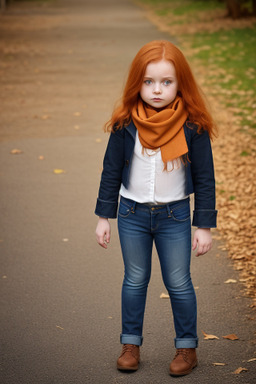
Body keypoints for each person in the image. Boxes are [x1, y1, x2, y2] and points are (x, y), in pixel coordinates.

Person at [95, 40, 217, 376]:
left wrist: (202, 225)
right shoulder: (125, 124)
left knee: (178, 282)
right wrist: (104, 217)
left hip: (174, 216)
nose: (157, 90)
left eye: (166, 82)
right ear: (138, 82)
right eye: (149, 82)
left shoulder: (193, 125)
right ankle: (130, 344)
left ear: (181, 84)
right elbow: (110, 171)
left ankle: (187, 348)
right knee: (134, 280)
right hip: (132, 215)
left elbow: (205, 178)